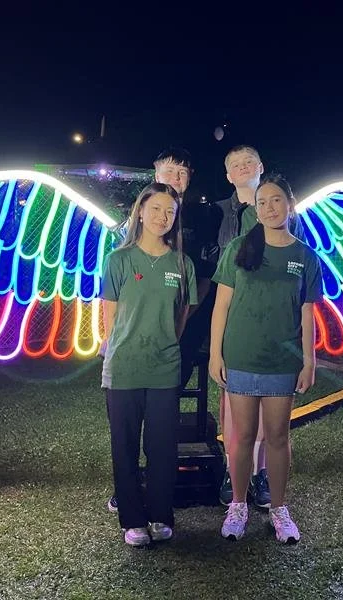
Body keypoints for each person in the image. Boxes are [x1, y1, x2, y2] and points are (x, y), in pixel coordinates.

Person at [209, 173, 322, 544]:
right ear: (254, 209)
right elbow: (221, 306)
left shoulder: (304, 256)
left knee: (277, 437)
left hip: (281, 362)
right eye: (262, 202)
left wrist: (309, 361)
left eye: (276, 200)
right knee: (241, 437)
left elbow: (307, 313)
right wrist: (215, 354)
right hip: (241, 357)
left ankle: (278, 508)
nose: (269, 208)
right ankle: (238, 505)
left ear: (290, 204)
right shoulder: (238, 248)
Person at [106, 148, 220, 515]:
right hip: (132, 342)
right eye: (169, 171)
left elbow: (203, 279)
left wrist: (175, 320)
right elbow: (113, 299)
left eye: (183, 173)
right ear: (155, 175)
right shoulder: (129, 233)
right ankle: (127, 492)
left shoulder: (204, 218)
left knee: (162, 424)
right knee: (127, 426)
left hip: (179, 330)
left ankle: (161, 494)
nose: (176, 178)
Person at [101, 182, 198, 546]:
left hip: (164, 368)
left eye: (170, 211)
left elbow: (180, 318)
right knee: (124, 446)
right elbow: (111, 319)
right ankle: (133, 520)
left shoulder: (182, 264)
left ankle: (160, 515)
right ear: (140, 212)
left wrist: (162, 342)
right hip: (124, 368)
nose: (162, 217)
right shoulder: (119, 260)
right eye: (155, 208)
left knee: (162, 447)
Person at [214, 145, 271, 508]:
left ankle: (261, 472)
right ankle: (232, 468)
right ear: (228, 175)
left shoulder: (278, 207)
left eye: (249, 161)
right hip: (229, 315)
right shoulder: (217, 212)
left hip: (268, 319)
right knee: (230, 398)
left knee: (266, 398)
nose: (244, 167)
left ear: (261, 167)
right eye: (236, 164)